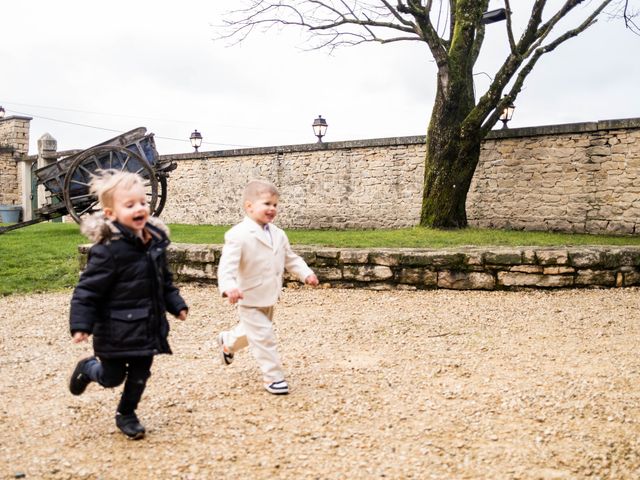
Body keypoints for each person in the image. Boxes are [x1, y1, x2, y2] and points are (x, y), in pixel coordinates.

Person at [68, 169, 188, 440]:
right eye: (130, 204)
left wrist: (176, 304)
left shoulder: (154, 243)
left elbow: (164, 281)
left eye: (143, 203)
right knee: (112, 378)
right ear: (110, 214)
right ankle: (88, 368)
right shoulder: (108, 249)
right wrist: (80, 325)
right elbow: (87, 291)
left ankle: (127, 413)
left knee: (140, 374)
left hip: (147, 324)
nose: (140, 208)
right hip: (115, 329)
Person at [216, 179, 319, 395]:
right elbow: (227, 266)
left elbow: (290, 258)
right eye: (266, 204)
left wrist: (306, 273)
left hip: (270, 295)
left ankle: (228, 342)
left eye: (275, 205)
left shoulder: (279, 234)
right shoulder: (237, 234)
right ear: (249, 206)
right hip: (248, 297)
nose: (272, 209)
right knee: (264, 336)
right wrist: (229, 287)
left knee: (253, 331)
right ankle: (273, 377)